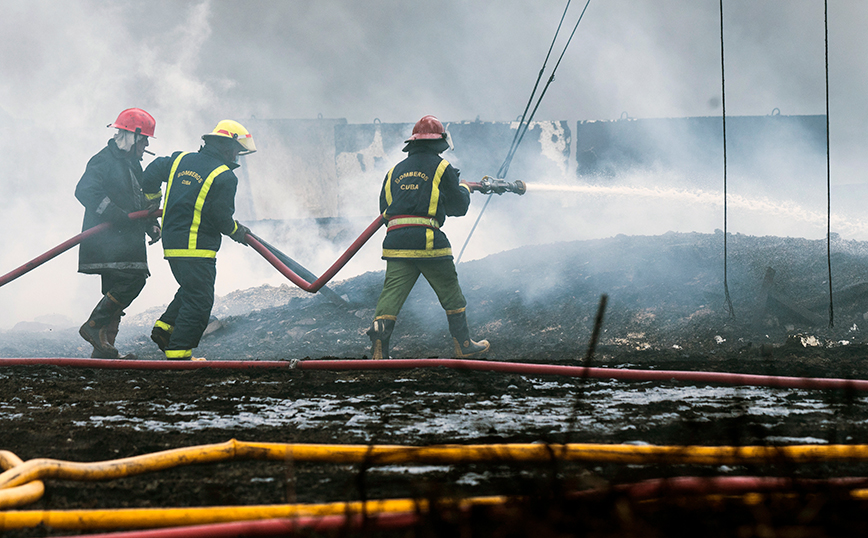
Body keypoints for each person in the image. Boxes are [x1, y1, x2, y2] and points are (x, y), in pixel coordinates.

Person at [367, 115, 490, 360]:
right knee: (451, 292)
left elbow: (384, 208)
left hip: (396, 243)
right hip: (428, 242)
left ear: (413, 143)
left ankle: (379, 350)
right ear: (439, 142)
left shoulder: (393, 171)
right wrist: (465, 187)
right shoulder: (442, 167)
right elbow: (458, 207)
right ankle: (463, 345)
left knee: (390, 296)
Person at [140, 120, 255, 360]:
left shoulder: (180, 160)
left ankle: (164, 330)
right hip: (197, 248)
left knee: (192, 290)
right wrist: (238, 231)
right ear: (226, 147)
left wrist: (153, 200)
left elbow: (150, 172)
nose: (237, 156)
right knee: (200, 301)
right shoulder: (225, 177)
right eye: (236, 150)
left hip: (171, 244)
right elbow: (221, 219)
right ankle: (179, 355)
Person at [76, 108, 161, 359]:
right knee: (133, 280)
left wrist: (150, 224)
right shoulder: (103, 160)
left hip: (125, 240)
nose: (146, 144)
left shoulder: (132, 164)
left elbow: (137, 200)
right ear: (132, 136)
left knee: (115, 292)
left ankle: (102, 352)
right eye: (144, 138)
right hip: (108, 241)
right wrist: (115, 215)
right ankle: (93, 326)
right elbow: (85, 191)